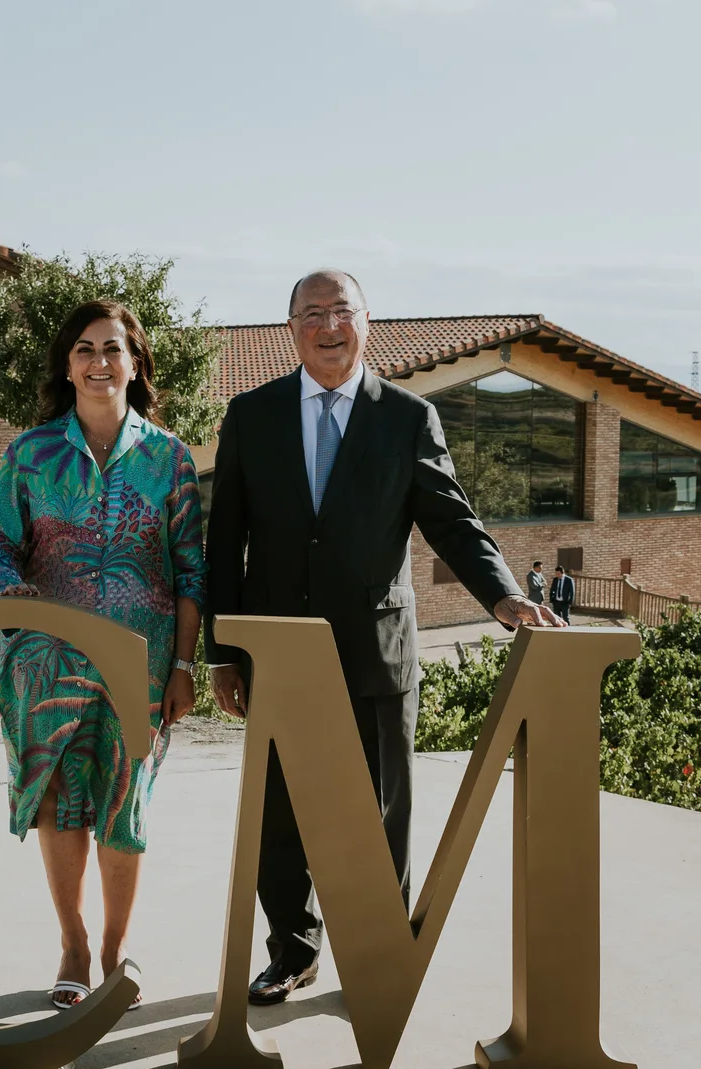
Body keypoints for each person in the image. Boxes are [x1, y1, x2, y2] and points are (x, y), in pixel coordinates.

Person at [205, 269, 560, 1006]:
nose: (327, 325)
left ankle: (378, 953)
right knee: (279, 814)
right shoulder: (251, 415)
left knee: (381, 811)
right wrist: (223, 652)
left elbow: (451, 520)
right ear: (290, 327)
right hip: (278, 652)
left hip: (377, 653)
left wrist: (503, 594)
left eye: (342, 311)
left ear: (368, 321)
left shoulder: (406, 418)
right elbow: (225, 541)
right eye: (312, 313)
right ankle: (293, 952)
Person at [0, 299, 205, 1011]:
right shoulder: (31, 454)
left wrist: (185, 666)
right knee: (59, 803)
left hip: (141, 666)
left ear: (136, 364)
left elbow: (192, 569)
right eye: (85, 349)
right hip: (46, 667)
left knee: (123, 804)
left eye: (113, 348)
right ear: (66, 365)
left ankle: (113, 950)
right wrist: (21, 604)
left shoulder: (170, 458)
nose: (99, 361)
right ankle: (72, 944)